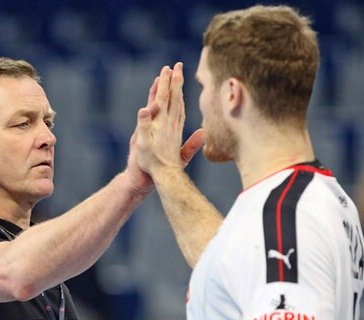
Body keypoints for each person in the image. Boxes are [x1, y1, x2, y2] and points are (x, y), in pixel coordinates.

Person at [0, 57, 203, 319]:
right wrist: (131, 184)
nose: (48, 138)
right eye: (22, 123)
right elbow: (13, 273)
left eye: (48, 123)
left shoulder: (51, 283)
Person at [134, 5, 364, 319]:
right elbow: (238, 265)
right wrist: (164, 169)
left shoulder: (285, 219)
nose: (200, 100)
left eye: (203, 85)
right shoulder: (319, 198)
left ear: (232, 94)